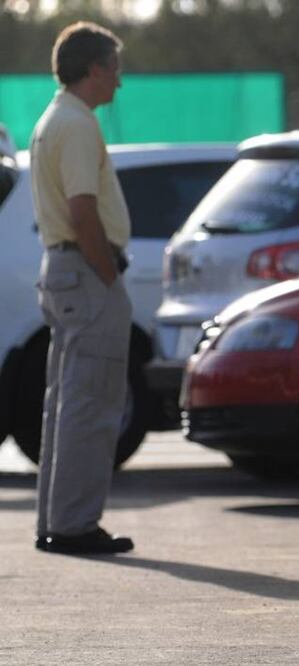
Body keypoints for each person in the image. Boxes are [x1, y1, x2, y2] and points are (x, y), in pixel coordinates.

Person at [31, 21, 133, 555]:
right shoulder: (76, 124)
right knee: (90, 402)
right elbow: (82, 210)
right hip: (87, 271)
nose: (119, 80)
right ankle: (73, 526)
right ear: (93, 69)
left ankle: (57, 522)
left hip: (65, 270)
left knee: (67, 403)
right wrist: (108, 273)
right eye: (114, 68)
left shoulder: (55, 119)